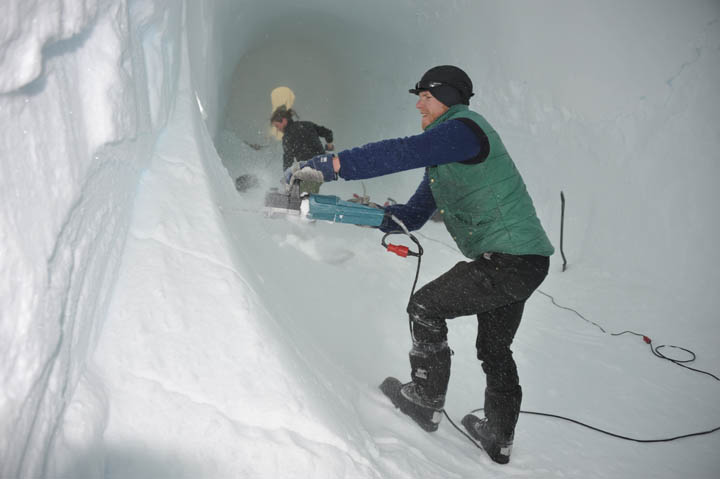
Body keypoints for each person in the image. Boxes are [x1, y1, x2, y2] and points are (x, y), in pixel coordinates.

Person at [284, 65, 554, 465]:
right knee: (494, 348)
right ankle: (498, 438)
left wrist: (328, 165)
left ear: (448, 97)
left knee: (425, 307)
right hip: (525, 261)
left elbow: (402, 152)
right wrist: (340, 211)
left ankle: (425, 400)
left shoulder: (464, 130)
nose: (419, 104)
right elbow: (409, 217)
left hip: (510, 261)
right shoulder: (445, 160)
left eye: (426, 97)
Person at [271, 106, 334, 195]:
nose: (277, 129)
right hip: (324, 166)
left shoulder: (287, 137)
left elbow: (288, 159)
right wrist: (329, 144)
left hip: (310, 170)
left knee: (303, 195)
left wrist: (286, 178)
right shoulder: (307, 124)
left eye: (277, 126)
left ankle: (301, 203)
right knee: (306, 189)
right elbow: (328, 133)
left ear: (284, 121)